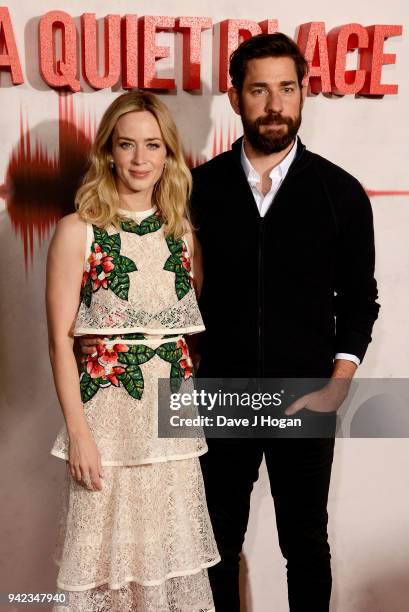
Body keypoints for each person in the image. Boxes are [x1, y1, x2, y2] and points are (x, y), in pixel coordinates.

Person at [79, 34, 380, 611]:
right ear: (235, 95)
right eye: (259, 89)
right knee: (212, 547)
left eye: (286, 89)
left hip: (304, 394)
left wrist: (336, 387)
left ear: (304, 93)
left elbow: (361, 300)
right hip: (216, 394)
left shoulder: (339, 193)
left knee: (306, 547)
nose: (274, 104)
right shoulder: (195, 188)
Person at [46, 91, 219, 612]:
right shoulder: (78, 231)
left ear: (168, 154)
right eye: (127, 145)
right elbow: (59, 340)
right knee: (102, 570)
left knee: (167, 564)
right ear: (109, 152)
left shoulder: (181, 235)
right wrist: (78, 434)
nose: (140, 159)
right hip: (106, 424)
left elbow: (184, 338)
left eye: (152, 145)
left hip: (171, 427)